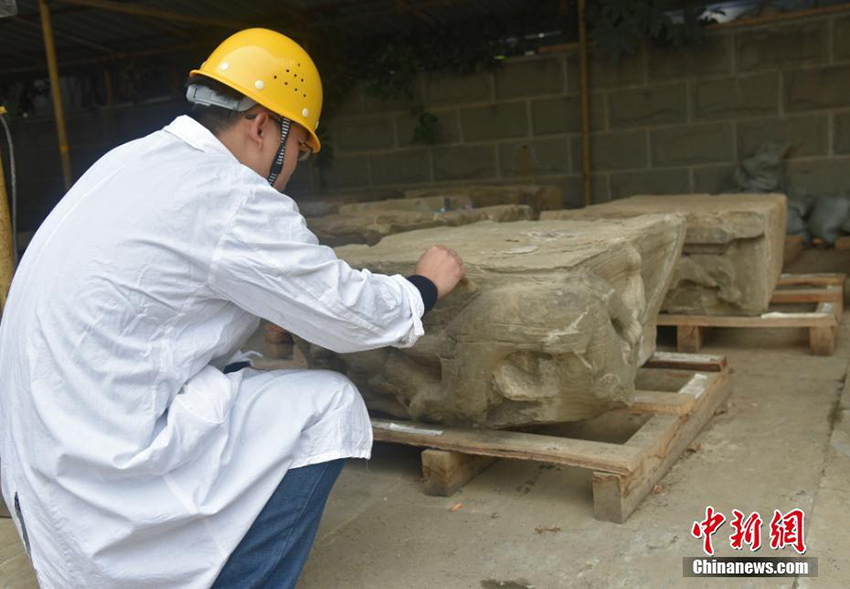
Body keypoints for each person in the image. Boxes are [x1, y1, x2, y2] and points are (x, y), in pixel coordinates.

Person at [0, 28, 465, 588]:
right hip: (101, 486)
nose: (293, 170)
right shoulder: (228, 193)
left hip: (45, 479)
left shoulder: (131, 161)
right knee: (328, 406)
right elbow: (349, 315)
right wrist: (422, 288)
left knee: (246, 378)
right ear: (263, 124)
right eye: (298, 150)